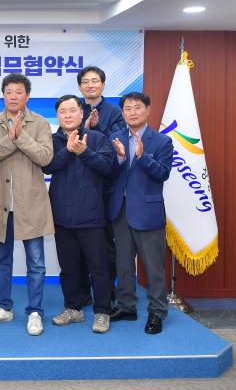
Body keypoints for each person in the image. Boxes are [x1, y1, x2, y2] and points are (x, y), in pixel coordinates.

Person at [0, 73, 54, 336]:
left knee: (36, 262)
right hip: (1, 203)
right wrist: (10, 138)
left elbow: (45, 157)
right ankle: (3, 307)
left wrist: (21, 137)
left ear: (27, 96)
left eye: (18, 92)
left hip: (30, 204)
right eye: (9, 92)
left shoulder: (40, 123)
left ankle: (35, 312)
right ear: (3, 95)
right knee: (2, 260)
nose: (13, 96)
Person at [43, 95, 115, 334]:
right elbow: (47, 166)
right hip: (61, 215)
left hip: (91, 215)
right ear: (57, 116)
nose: (67, 115)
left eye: (72, 110)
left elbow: (108, 167)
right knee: (68, 267)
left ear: (81, 113)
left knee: (98, 267)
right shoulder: (52, 140)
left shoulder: (97, 138)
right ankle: (72, 308)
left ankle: (102, 312)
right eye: (62, 111)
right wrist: (68, 150)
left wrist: (84, 152)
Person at [108, 92, 173, 335]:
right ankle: (126, 306)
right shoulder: (114, 138)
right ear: (122, 112)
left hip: (147, 212)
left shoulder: (162, 141)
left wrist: (141, 157)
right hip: (121, 209)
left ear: (147, 110)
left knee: (154, 266)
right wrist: (119, 159)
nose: (132, 112)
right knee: (124, 263)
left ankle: (157, 312)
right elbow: (108, 172)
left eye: (137, 107)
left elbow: (162, 173)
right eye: (127, 108)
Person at [77, 66, 126, 306]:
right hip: (78, 186)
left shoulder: (114, 111)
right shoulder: (74, 107)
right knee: (78, 244)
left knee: (105, 242)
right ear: (80, 87)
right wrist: (84, 127)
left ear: (103, 85)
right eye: (85, 81)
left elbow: (117, 144)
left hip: (104, 187)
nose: (90, 85)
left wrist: (94, 129)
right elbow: (66, 141)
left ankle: (108, 291)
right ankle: (83, 292)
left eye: (95, 81)